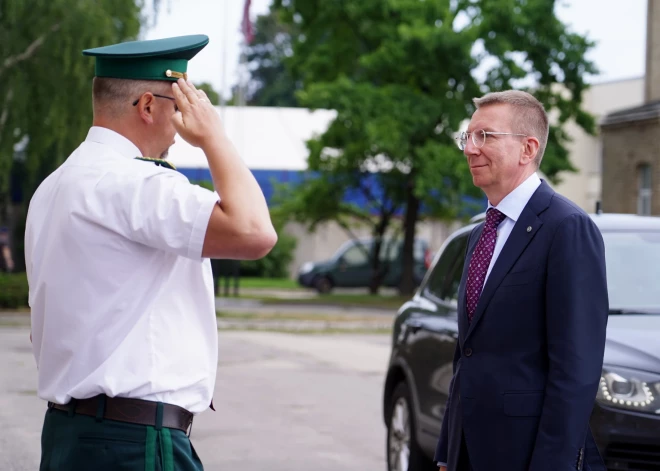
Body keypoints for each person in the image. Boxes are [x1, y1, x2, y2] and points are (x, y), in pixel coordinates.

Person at [24, 34, 277, 470]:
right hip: (131, 442)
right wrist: (215, 138)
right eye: (178, 108)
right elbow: (254, 232)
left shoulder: (52, 188)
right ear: (146, 105)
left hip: (69, 435)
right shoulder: (135, 183)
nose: (181, 131)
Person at [434, 90, 608, 471]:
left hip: (527, 455)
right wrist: (448, 450)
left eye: (486, 137)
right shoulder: (482, 233)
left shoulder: (566, 228)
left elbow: (575, 369)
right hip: (469, 451)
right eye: (468, 137)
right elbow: (467, 353)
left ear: (527, 149)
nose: (470, 149)